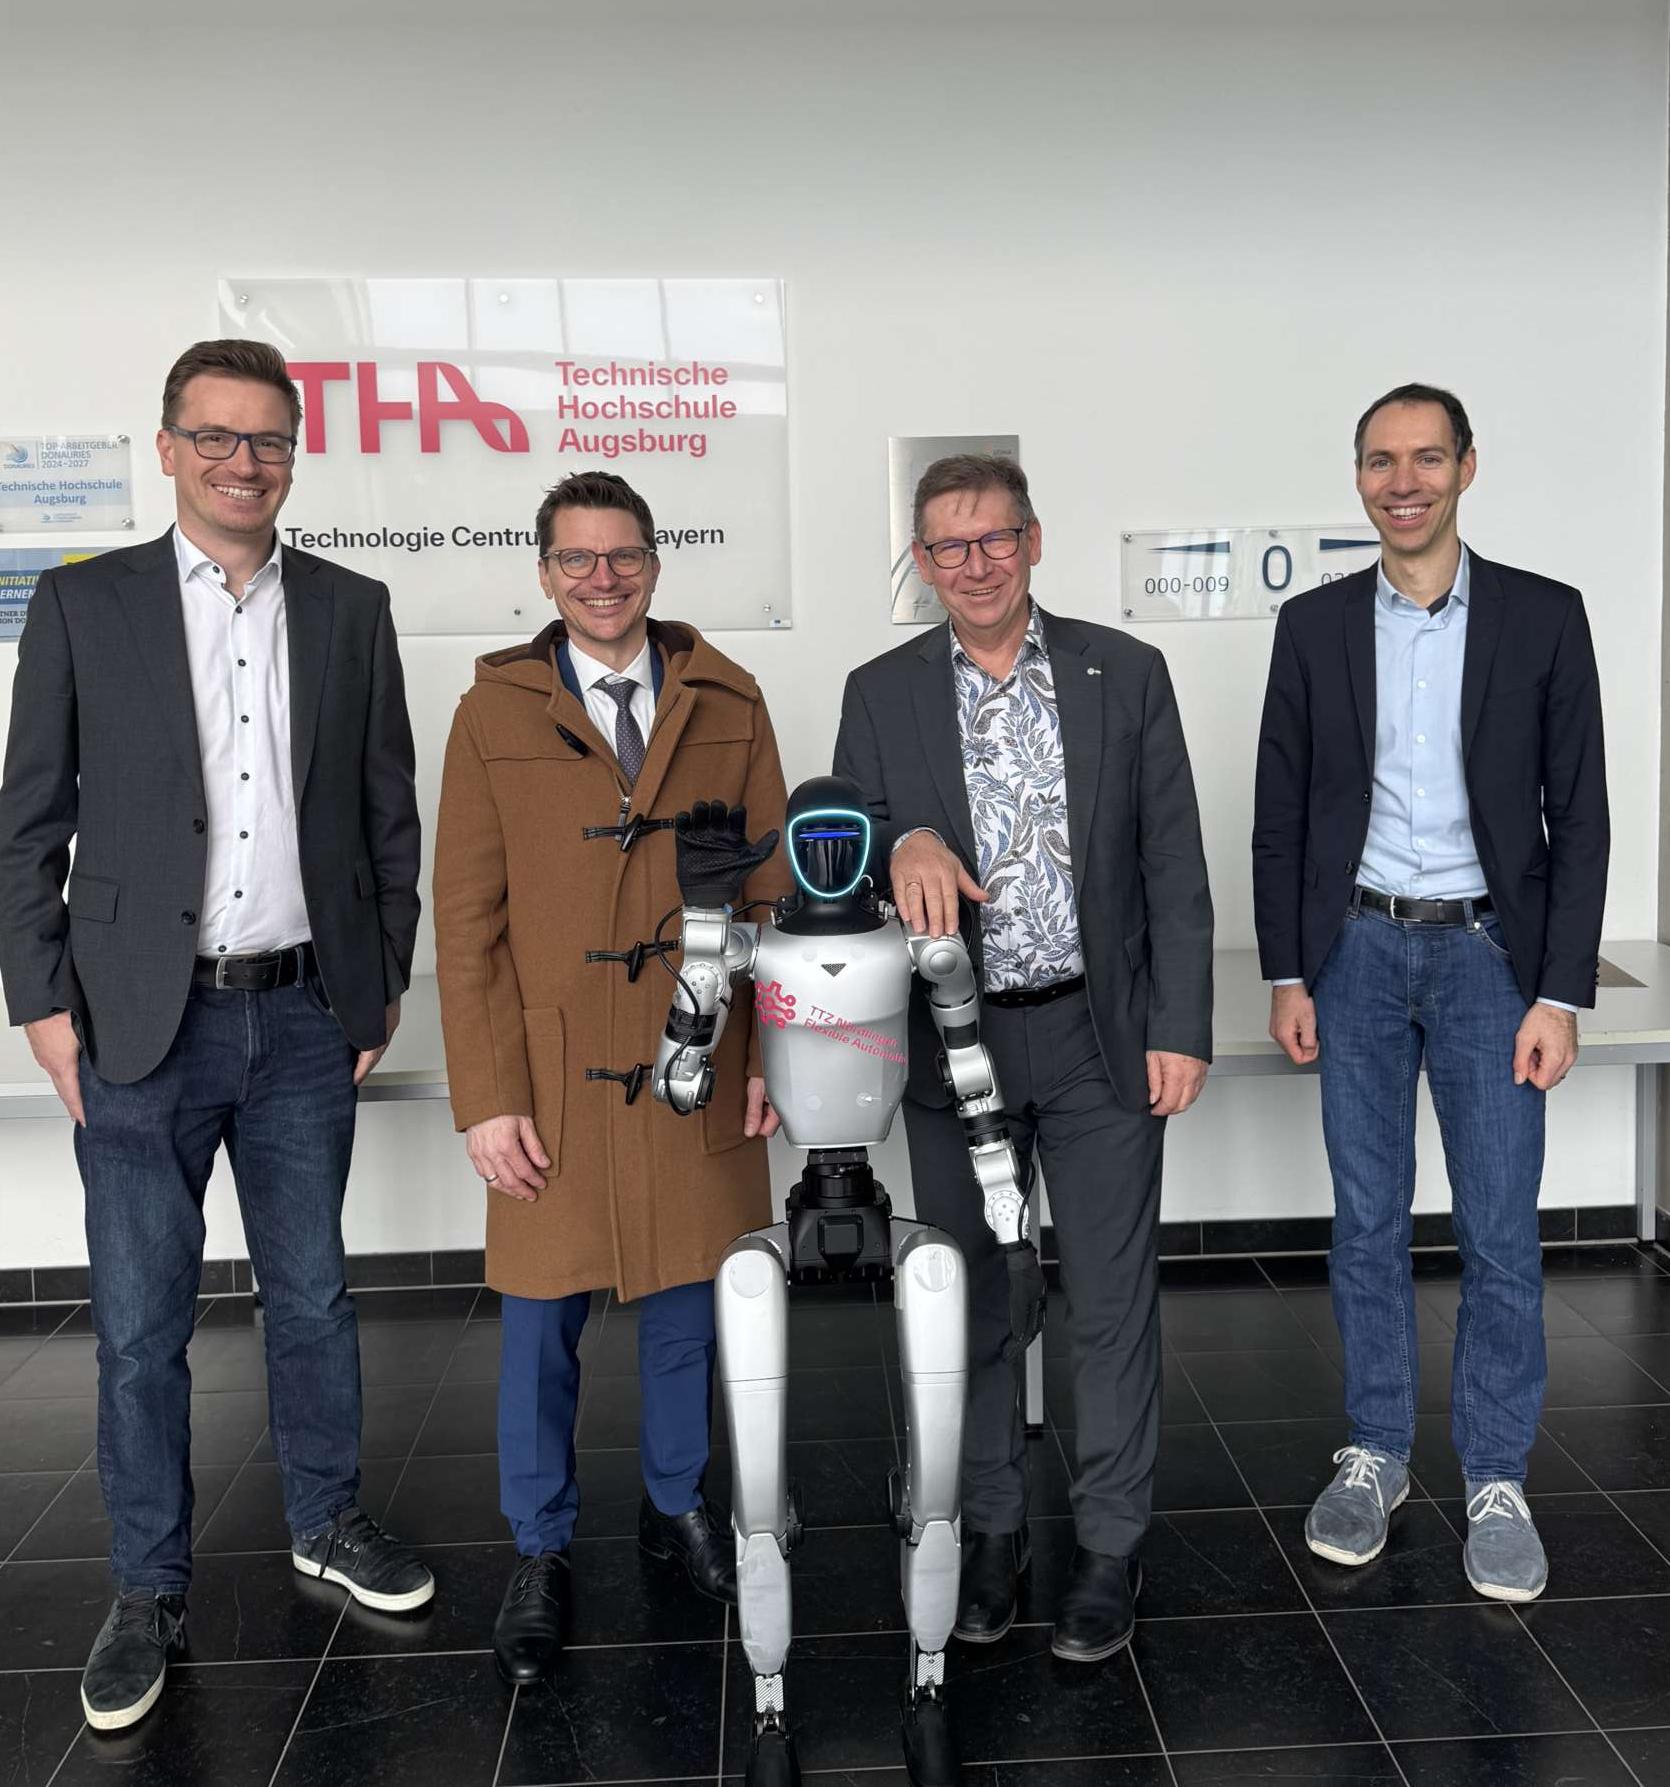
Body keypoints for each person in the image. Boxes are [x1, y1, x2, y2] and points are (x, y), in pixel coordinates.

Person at [0, 338, 431, 1733]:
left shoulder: (353, 607)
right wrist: (41, 1002)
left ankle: (327, 1517)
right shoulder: (84, 602)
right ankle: (146, 1586)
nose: (245, 463)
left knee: (313, 1297)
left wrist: (377, 982)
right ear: (170, 447)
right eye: (218, 437)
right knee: (140, 1328)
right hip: (137, 1021)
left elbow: (386, 813)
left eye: (269, 440)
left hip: (304, 1013)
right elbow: (27, 822)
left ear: (294, 453)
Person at [833, 454, 1213, 1662]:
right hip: (956, 1046)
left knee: (1108, 1300)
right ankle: (990, 1529)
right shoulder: (879, 692)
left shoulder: (1123, 672)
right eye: (948, 546)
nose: (975, 564)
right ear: (920, 561)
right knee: (972, 1302)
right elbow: (843, 843)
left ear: (1034, 539)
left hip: (1101, 1036)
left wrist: (1179, 1024)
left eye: (994, 538)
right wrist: (904, 836)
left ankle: (1106, 1544)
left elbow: (1172, 861)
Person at [432, 469, 790, 1686]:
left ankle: (678, 1499)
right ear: (543, 572)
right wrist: (487, 1094)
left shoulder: (729, 698)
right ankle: (539, 1544)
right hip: (551, 1072)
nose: (602, 578)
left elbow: (770, 898)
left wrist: (769, 1056)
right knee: (541, 1322)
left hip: (699, 1053)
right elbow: (464, 918)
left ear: (654, 562)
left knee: (691, 1307)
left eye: (622, 555)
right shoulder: (491, 712)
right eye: (576, 558)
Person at [1252, 383, 1609, 1601]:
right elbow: (1279, 812)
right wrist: (1288, 970)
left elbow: (1580, 817)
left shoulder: (1542, 616)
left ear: (1465, 467)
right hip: (1353, 953)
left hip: (1489, 962)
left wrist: (1558, 993)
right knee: (1365, 1222)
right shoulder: (1311, 626)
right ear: (1357, 476)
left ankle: (1496, 1474)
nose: (1399, 482)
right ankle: (1376, 1452)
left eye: (1423, 458)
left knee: (1498, 1230)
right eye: (1377, 460)